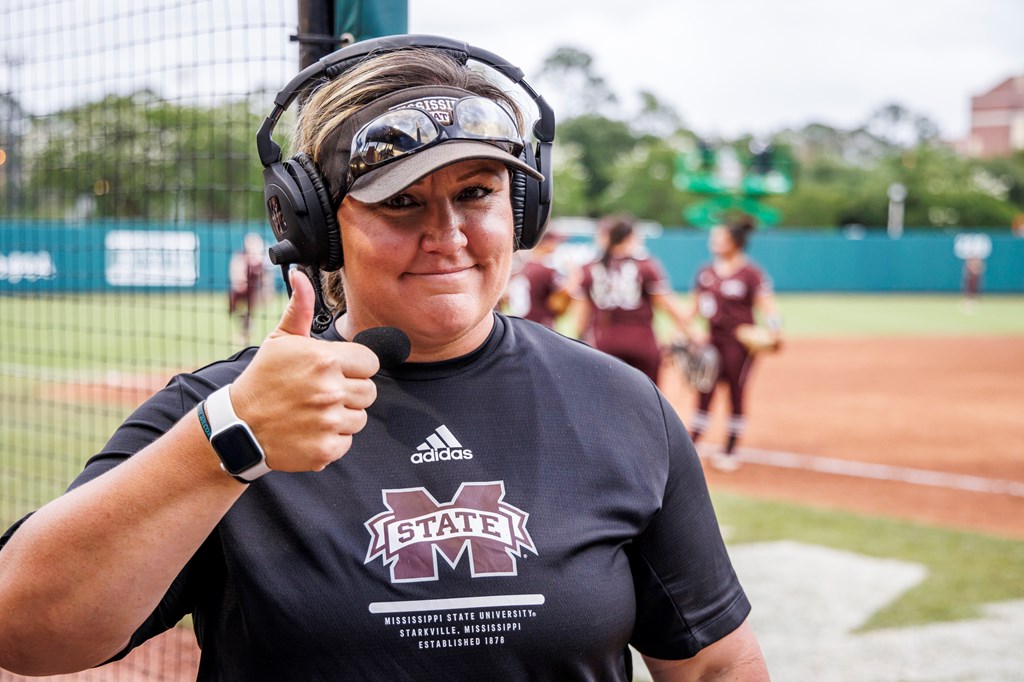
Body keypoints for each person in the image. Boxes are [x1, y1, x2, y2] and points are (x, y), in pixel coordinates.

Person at [0, 38, 768, 681]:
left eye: (477, 192)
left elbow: (712, 666)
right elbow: (25, 632)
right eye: (399, 201)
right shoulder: (227, 408)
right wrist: (224, 444)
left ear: (521, 212)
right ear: (315, 226)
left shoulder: (619, 403)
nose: (448, 234)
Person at [685, 219, 782, 473]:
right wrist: (686, 331)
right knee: (704, 390)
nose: (714, 242)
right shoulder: (705, 272)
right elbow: (692, 309)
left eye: (720, 238)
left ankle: (730, 448)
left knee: (736, 391)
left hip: (739, 342)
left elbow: (767, 304)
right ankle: (692, 444)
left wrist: (775, 329)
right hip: (712, 340)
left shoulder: (751, 273)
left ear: (734, 242)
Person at [574, 216, 692, 384]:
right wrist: (690, 333)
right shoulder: (646, 265)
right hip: (642, 343)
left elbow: (581, 317)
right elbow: (666, 305)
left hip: (605, 342)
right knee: (648, 401)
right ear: (629, 237)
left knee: (608, 400)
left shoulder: (590, 267)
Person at [501, 229, 571, 328]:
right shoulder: (545, 270)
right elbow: (561, 298)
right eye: (555, 243)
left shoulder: (522, 268)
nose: (556, 247)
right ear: (546, 243)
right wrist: (574, 273)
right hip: (540, 324)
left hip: (519, 323)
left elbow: (506, 297)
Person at [228, 232, 271, 345]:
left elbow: (266, 278)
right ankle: (245, 325)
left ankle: (244, 332)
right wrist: (239, 282)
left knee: (250, 311)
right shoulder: (241, 256)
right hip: (241, 289)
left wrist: (267, 291)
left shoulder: (261, 261)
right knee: (233, 309)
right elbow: (236, 269)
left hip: (254, 291)